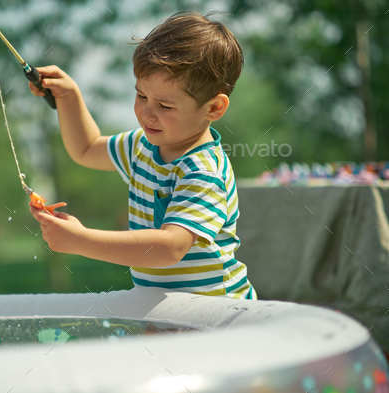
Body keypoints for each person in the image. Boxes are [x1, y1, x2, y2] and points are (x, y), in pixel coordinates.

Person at [28, 12, 257, 299]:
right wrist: (68, 98)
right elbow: (87, 149)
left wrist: (82, 241)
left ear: (214, 109)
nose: (146, 113)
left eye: (165, 106)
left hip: (216, 317)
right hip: (165, 309)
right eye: (141, 96)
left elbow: (170, 247)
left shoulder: (202, 170)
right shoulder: (143, 145)